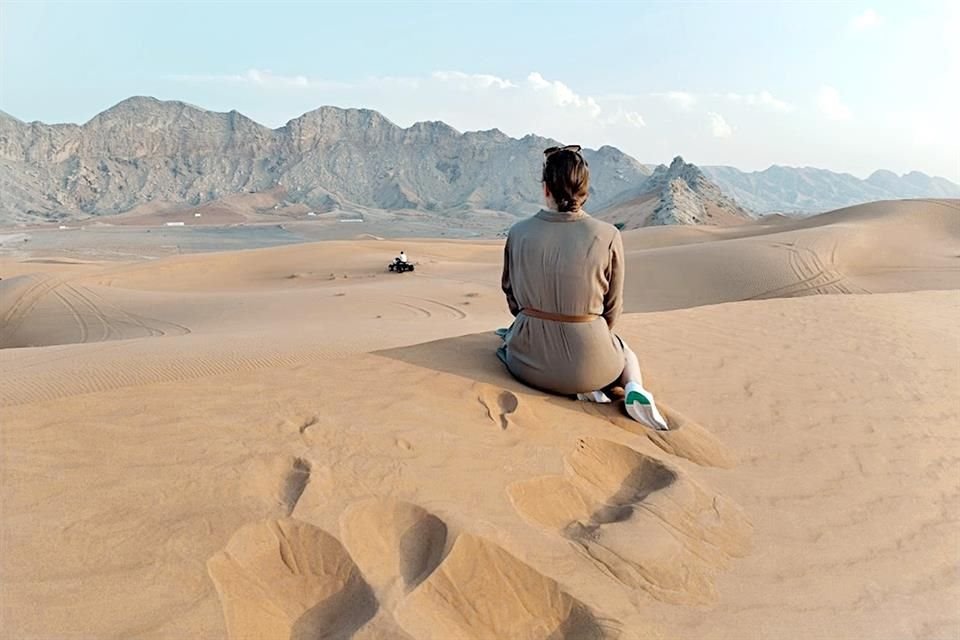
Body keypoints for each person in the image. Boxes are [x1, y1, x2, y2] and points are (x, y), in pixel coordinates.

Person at [498, 145, 669, 430]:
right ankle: (633, 388)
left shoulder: (517, 232)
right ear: (585, 191)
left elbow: (511, 295)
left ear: (546, 189)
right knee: (625, 352)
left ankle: (579, 385)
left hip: (527, 365)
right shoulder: (608, 235)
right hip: (592, 362)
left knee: (506, 337)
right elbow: (612, 309)